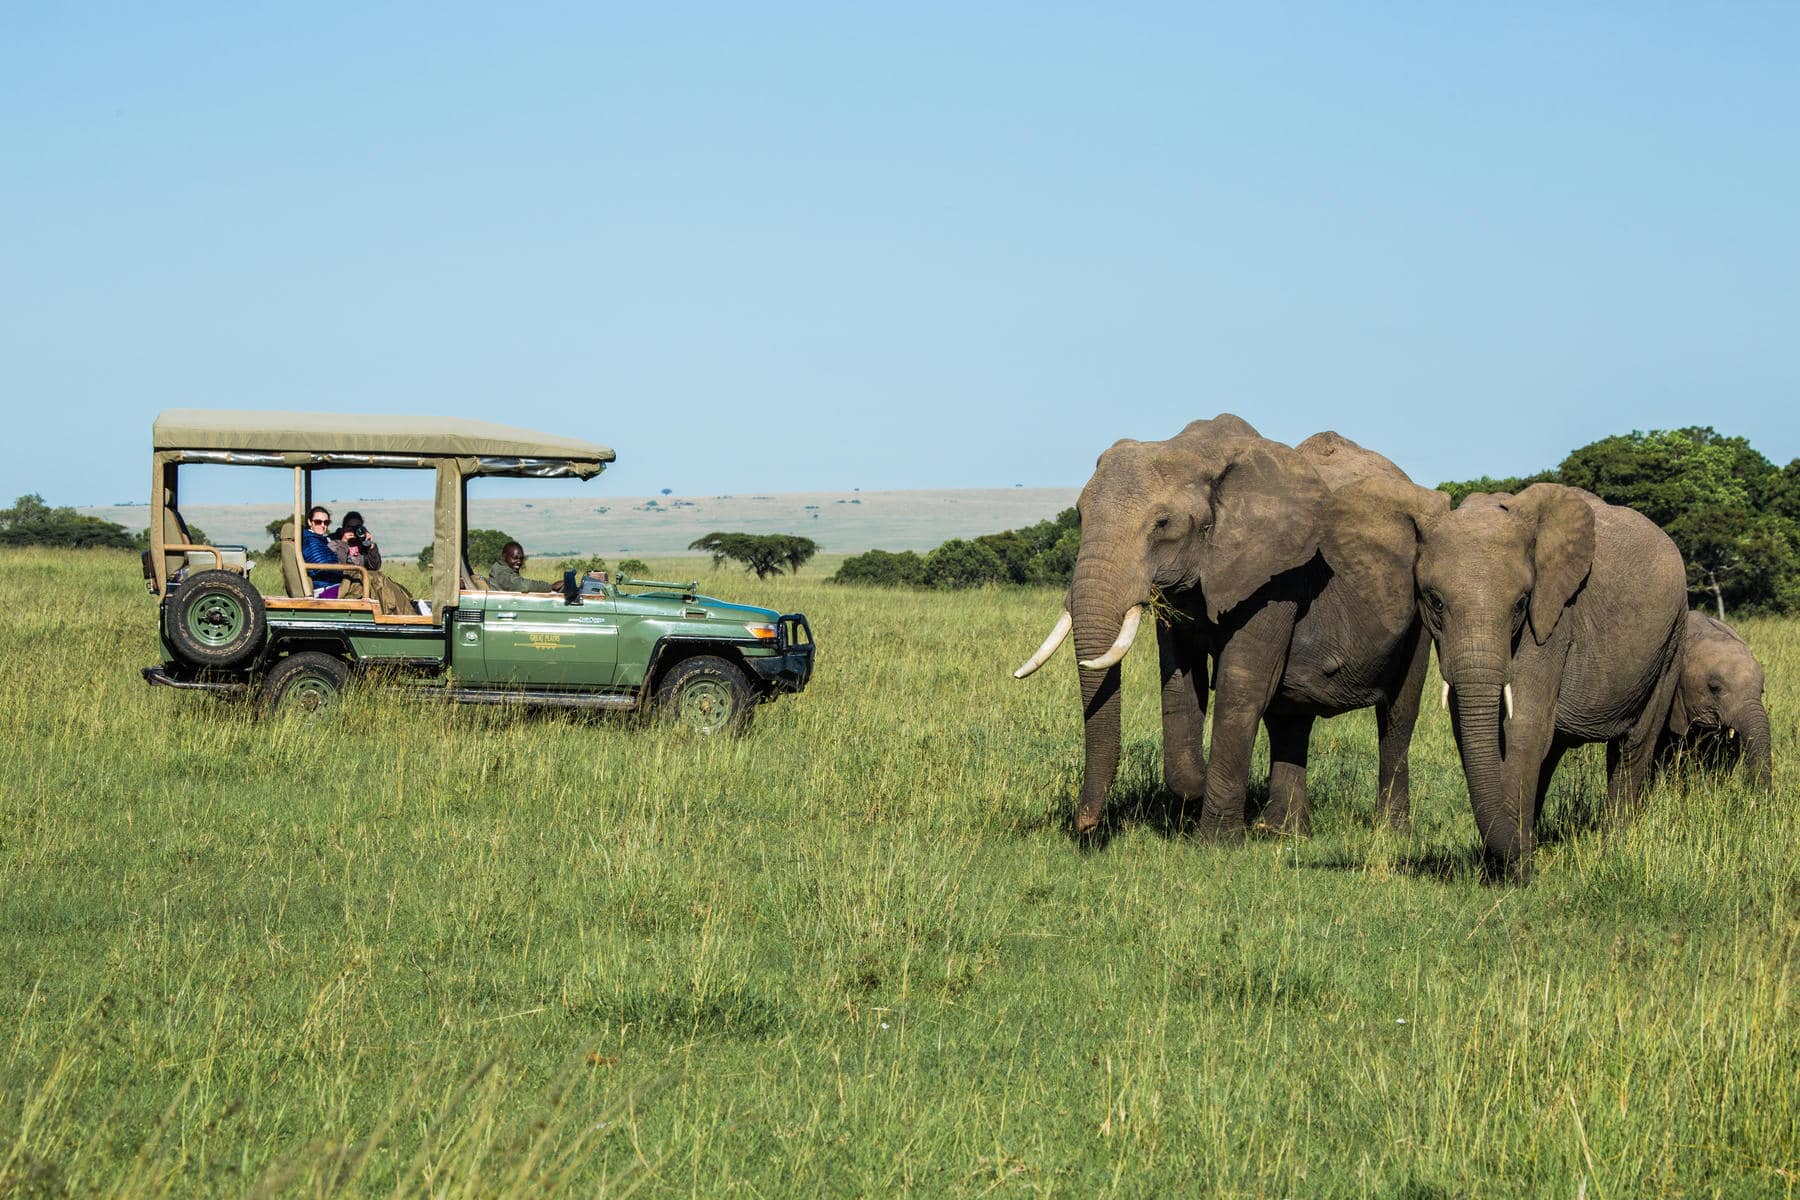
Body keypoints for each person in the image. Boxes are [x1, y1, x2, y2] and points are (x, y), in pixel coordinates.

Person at [300, 505, 346, 598]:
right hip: (324, 589)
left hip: (331, 585)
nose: (323, 525)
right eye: (318, 522)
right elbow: (322, 566)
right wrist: (346, 571)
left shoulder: (321, 540)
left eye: (326, 522)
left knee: (372, 578)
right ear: (310, 522)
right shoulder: (310, 541)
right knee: (366, 580)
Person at [488, 541, 562, 593]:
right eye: (515, 558)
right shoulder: (502, 573)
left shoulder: (502, 569)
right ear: (504, 557)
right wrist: (550, 587)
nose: (519, 562)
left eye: (521, 558)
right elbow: (523, 586)